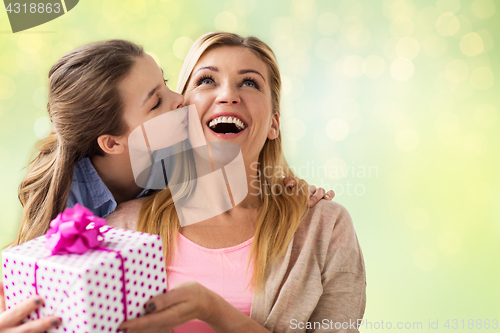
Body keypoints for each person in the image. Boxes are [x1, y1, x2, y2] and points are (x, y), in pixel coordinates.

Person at [3, 39, 332, 332]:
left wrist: (285, 188)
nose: (179, 99)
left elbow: (237, 164)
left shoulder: (173, 154)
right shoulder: (76, 202)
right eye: (156, 101)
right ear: (113, 142)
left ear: (275, 122)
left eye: (166, 84)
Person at [110, 32, 366, 333]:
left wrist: (212, 309)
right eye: (207, 81)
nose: (228, 95)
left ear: (273, 123)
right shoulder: (122, 229)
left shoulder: (325, 227)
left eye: (250, 83)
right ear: (180, 115)